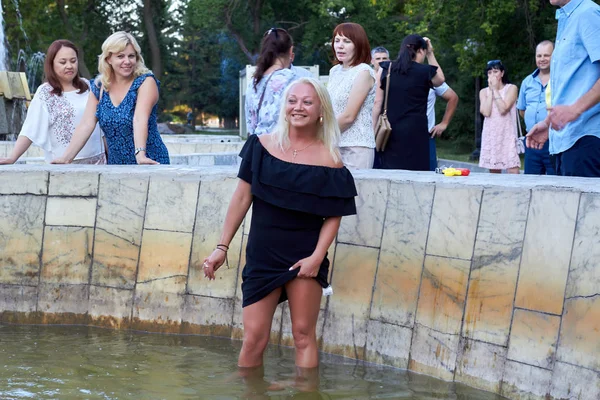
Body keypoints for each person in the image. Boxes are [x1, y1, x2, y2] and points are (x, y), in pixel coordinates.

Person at [203, 77, 357, 371]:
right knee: (253, 339)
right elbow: (240, 199)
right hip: (262, 255)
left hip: (305, 257)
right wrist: (221, 247)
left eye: (307, 102)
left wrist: (316, 257)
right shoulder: (260, 146)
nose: (298, 107)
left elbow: (334, 215)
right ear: (284, 106)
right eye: (292, 100)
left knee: (302, 335)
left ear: (321, 110)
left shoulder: (330, 159)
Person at [52, 31, 169, 165]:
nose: (127, 61)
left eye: (131, 56)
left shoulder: (145, 81)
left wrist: (141, 155)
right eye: (120, 56)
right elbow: (86, 124)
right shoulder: (99, 86)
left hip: (149, 161)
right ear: (108, 59)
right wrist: (66, 158)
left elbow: (139, 119)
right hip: (116, 165)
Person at [0, 40, 106, 165]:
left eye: (73, 61)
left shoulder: (89, 86)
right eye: (63, 62)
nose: (69, 66)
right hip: (63, 165)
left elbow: (101, 127)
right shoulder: (45, 92)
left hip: (99, 162)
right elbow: (30, 129)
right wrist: (13, 158)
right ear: (52, 64)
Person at [526, 0, 600, 177]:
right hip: (564, 142)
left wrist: (576, 109)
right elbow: (572, 83)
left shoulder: (588, 13)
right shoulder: (566, 18)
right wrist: (548, 124)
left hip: (586, 139)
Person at [372, 34, 445, 170]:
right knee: (416, 174)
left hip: (390, 131)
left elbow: (377, 103)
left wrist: (372, 131)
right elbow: (440, 80)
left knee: (390, 174)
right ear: (421, 51)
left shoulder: (386, 68)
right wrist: (430, 54)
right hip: (416, 131)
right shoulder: (424, 71)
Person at [328, 22, 376, 169]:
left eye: (347, 41)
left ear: (358, 45)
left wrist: (321, 134)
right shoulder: (334, 71)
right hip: (333, 146)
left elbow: (349, 116)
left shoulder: (363, 72)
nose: (340, 46)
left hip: (356, 148)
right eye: (337, 40)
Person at [245, 28, 298, 136]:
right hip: (281, 146)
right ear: (290, 50)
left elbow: (250, 123)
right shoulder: (291, 78)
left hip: (257, 146)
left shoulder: (254, 82)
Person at [517, 40, 556, 175]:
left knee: (555, 184)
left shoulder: (560, 79)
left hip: (554, 141)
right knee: (530, 184)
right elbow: (522, 110)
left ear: (554, 56)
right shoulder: (527, 82)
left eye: (546, 55)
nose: (542, 59)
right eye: (539, 56)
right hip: (532, 142)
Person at [478, 60, 520, 174]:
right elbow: (486, 112)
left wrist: (496, 90)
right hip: (491, 134)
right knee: (494, 173)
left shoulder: (511, 88)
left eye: (495, 71)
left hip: (507, 133)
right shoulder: (483, 92)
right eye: (490, 72)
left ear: (502, 73)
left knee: (513, 169)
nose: (492, 75)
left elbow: (503, 109)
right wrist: (491, 91)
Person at [427, 83, 459, 171]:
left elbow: (453, 97)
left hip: (426, 136)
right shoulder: (393, 72)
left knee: (428, 177)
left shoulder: (430, 74)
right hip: (399, 135)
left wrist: (444, 123)